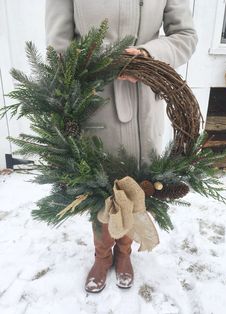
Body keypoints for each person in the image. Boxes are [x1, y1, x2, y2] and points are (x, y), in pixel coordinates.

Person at [45, 0, 198, 293]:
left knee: (138, 186)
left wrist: (149, 56)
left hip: (145, 106)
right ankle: (102, 256)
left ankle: (124, 253)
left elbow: (185, 35)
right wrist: (94, 70)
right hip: (96, 104)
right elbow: (59, 43)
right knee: (99, 190)